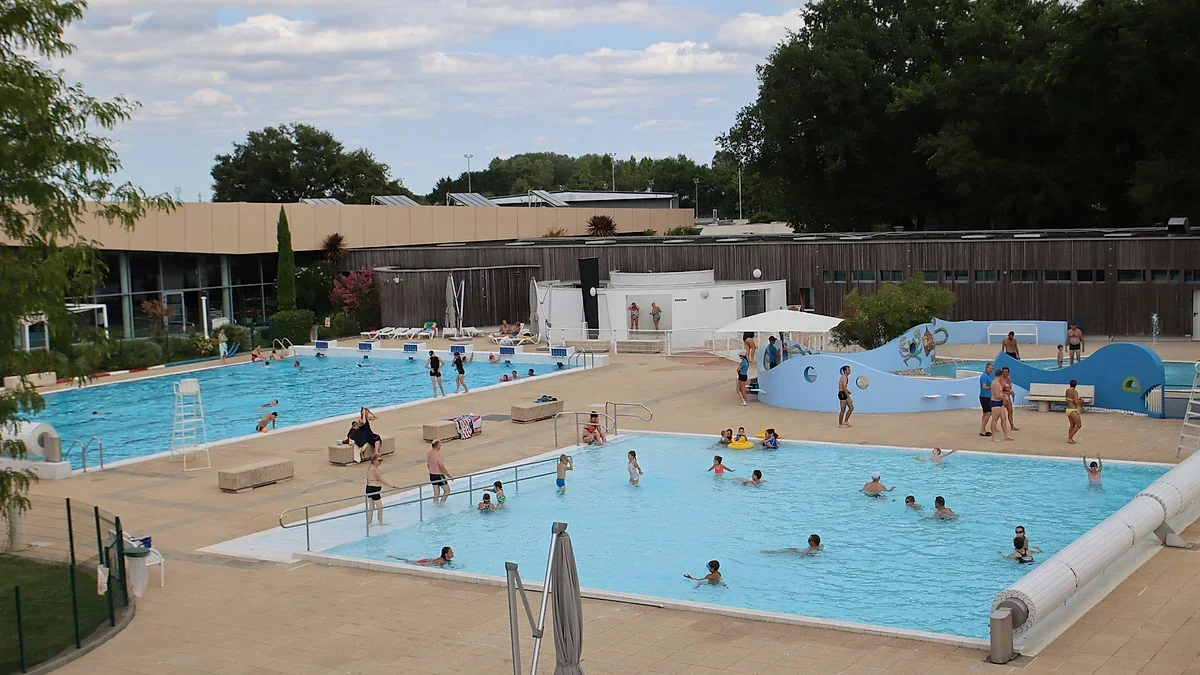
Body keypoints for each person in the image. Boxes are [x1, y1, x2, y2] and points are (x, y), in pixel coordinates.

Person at [364, 453, 396, 525]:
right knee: (380, 507)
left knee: (371, 508)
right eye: (379, 460)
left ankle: (369, 523)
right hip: (374, 490)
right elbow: (380, 479)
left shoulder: (370, 467)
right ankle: (380, 522)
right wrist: (391, 486)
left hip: (368, 488)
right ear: (374, 460)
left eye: (381, 460)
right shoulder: (374, 469)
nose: (380, 462)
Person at [989, 369, 1013, 442]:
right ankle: (993, 437)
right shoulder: (996, 383)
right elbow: (996, 395)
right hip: (996, 403)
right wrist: (1004, 398)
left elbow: (1000, 393)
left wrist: (1003, 396)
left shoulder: (997, 382)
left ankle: (1006, 435)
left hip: (1000, 403)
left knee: (1003, 418)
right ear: (1001, 375)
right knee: (995, 420)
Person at [999, 367, 1019, 431]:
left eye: (1006, 372)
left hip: (1008, 397)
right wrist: (1009, 391)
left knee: (1010, 411)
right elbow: (1001, 388)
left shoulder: (1008, 378)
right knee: (999, 412)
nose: (1005, 373)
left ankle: (1012, 425)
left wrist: (1011, 391)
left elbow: (1010, 387)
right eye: (1004, 372)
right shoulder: (1000, 379)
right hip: (1003, 397)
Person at [389, 546, 453, 567]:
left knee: (408, 561)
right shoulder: (441, 561)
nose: (452, 553)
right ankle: (395, 558)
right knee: (409, 562)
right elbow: (436, 565)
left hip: (427, 560)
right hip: (426, 562)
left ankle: (395, 557)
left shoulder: (443, 559)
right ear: (446, 554)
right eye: (450, 552)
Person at [978, 363, 995, 437]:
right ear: (986, 368)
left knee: (985, 413)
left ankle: (983, 429)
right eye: (990, 368)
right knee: (989, 412)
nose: (991, 370)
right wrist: (992, 387)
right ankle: (982, 430)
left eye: (992, 368)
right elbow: (984, 387)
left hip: (988, 396)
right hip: (984, 397)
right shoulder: (984, 376)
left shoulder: (988, 376)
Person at [1066, 379, 1084, 444]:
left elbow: (1071, 399)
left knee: (1072, 425)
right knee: (1079, 425)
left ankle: (1070, 438)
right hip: (1073, 410)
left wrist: (1078, 398)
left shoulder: (1067, 390)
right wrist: (1081, 401)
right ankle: (1070, 438)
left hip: (1068, 410)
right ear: (1076, 385)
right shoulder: (1075, 392)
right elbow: (1076, 402)